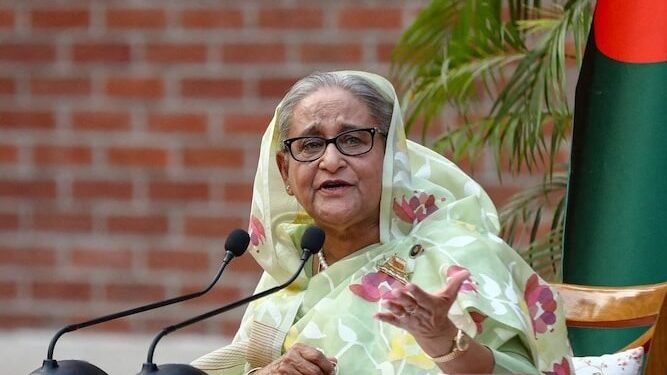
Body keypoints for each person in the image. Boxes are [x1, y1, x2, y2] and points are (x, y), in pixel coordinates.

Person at [191, 71, 572, 374]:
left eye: (353, 140)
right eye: (309, 145)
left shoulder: (459, 256)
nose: (330, 161)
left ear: (392, 158)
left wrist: (444, 341)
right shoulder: (287, 279)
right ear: (285, 171)